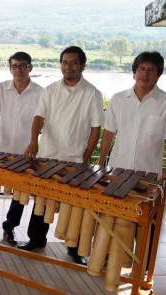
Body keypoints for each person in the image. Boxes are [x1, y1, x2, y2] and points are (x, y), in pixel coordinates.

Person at [21, 46, 103, 265]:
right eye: (65, 62)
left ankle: (75, 248)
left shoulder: (93, 93)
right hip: (47, 155)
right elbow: (39, 117)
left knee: (74, 207)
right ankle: (35, 240)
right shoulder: (50, 90)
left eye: (73, 62)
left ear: (82, 65)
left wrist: (86, 155)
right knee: (42, 200)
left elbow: (96, 128)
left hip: (75, 159)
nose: (68, 66)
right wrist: (33, 141)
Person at [0, 52, 43, 245]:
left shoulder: (40, 92)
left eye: (22, 66)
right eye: (14, 66)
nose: (18, 70)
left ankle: (9, 227)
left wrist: (34, 141)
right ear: (10, 68)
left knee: (19, 195)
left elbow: (41, 120)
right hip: (0, 150)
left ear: (30, 68)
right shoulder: (1, 88)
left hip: (25, 152)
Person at [99, 51, 166, 189]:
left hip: (149, 175)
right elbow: (108, 134)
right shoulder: (118, 99)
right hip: (117, 170)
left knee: (143, 210)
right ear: (134, 72)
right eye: (142, 69)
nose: (145, 74)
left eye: (151, 70)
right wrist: (101, 164)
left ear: (158, 75)